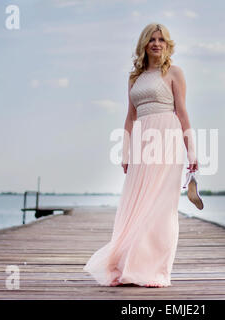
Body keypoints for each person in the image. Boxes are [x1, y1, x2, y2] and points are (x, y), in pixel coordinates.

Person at [83, 23, 198, 288]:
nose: (156, 44)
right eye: (151, 40)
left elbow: (182, 114)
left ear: (167, 45)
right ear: (144, 45)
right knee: (136, 205)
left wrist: (191, 149)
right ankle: (129, 265)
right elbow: (129, 117)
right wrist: (125, 151)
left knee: (161, 207)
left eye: (161, 40)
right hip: (142, 145)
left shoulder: (175, 73)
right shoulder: (134, 78)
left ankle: (154, 270)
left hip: (167, 141)